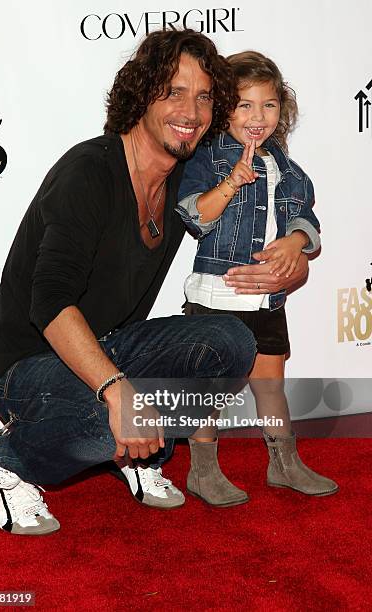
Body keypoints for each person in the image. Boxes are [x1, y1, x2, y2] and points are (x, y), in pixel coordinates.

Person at [0, 29, 261, 536]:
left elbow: (243, 234)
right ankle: (3, 455)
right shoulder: (90, 171)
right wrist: (120, 392)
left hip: (112, 348)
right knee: (105, 417)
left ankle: (136, 444)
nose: (190, 111)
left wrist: (297, 254)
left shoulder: (181, 180)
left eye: (203, 97)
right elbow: (50, 304)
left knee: (232, 343)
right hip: (27, 368)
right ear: (142, 94)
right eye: (173, 91)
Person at [176, 50, 338, 501]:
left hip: (266, 300)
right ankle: (203, 470)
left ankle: (284, 464)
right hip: (216, 295)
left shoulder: (284, 165)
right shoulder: (206, 156)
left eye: (268, 105)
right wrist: (230, 183)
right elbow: (194, 217)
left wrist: (296, 242)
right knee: (206, 391)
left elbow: (305, 217)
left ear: (281, 111)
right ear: (225, 106)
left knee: (271, 387)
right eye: (245, 105)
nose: (257, 116)